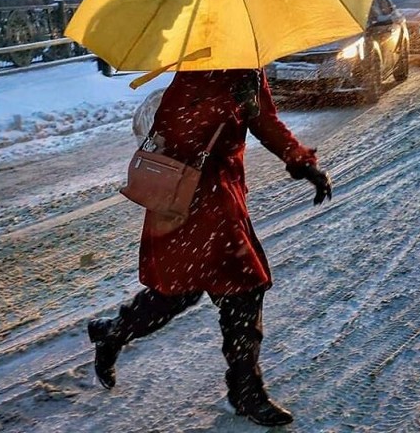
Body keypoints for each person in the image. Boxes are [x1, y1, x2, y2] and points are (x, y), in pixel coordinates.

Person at [87, 68, 332, 427]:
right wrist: (226, 101)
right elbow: (173, 130)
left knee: (241, 291)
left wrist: (302, 162)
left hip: (224, 198)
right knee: (181, 292)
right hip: (186, 200)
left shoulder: (248, 66)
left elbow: (264, 120)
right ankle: (113, 334)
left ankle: (244, 390)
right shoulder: (197, 68)